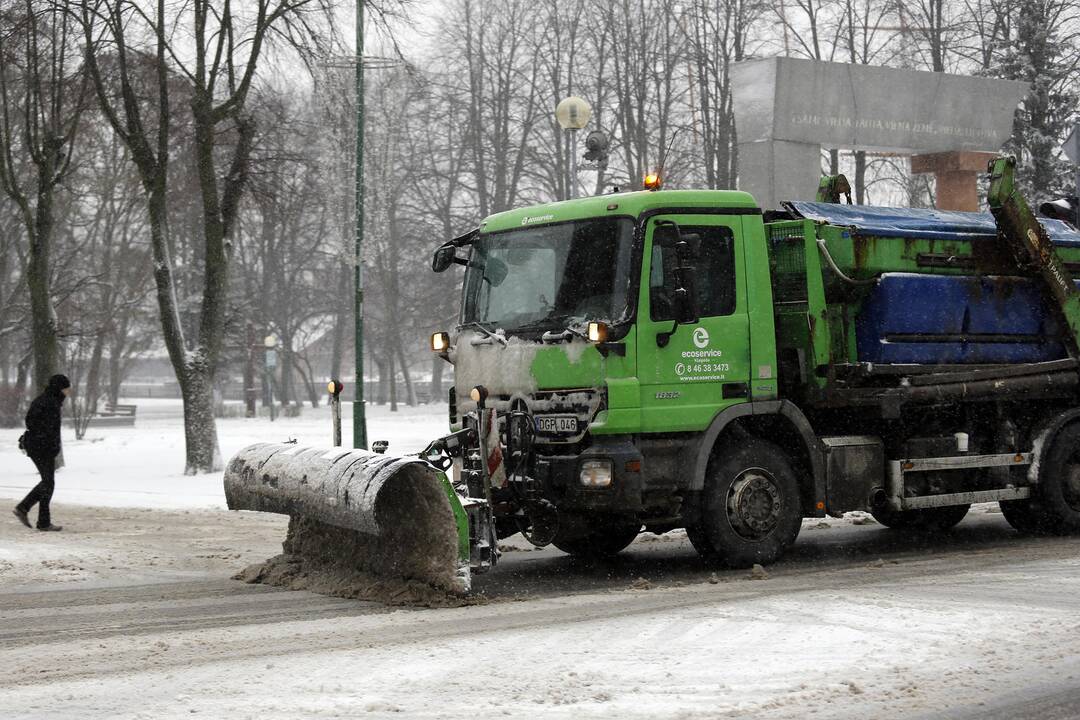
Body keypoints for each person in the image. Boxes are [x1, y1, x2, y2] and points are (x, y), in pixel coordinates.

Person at [13, 374, 70, 532]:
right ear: (59, 388)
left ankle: (28, 511)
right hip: (40, 447)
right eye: (66, 388)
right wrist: (47, 441)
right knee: (48, 483)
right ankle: (36, 517)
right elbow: (36, 424)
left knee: (47, 483)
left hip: (40, 446)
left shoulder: (48, 400)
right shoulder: (49, 402)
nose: (68, 392)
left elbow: (34, 423)